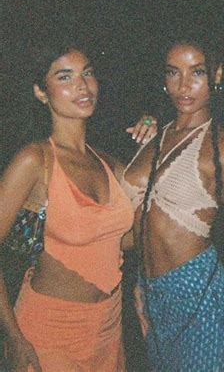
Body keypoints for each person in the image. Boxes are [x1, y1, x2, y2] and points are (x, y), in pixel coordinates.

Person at [120, 33, 224, 372]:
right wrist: (141, 287)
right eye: (173, 73)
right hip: (153, 300)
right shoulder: (153, 137)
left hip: (202, 296)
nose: (184, 85)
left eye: (196, 72)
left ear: (217, 75)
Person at [0, 40, 134, 371]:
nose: (82, 86)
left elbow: (130, 240)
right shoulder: (35, 160)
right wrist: (14, 337)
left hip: (108, 328)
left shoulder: (109, 163)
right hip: (49, 331)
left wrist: (153, 148)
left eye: (87, 73)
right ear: (40, 92)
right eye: (64, 77)